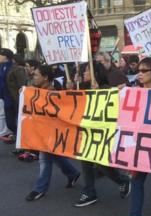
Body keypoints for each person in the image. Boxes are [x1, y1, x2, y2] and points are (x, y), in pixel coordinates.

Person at [116, 57, 151, 216]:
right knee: (137, 180)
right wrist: (118, 92)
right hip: (139, 142)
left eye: (144, 71)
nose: (140, 74)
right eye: (138, 70)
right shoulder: (134, 91)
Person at [74, 62, 131, 207]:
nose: (83, 74)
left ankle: (122, 180)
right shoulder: (82, 88)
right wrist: (72, 87)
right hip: (87, 131)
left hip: (103, 133)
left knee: (101, 165)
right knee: (85, 161)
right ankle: (90, 192)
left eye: (86, 71)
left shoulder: (106, 89)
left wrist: (100, 91)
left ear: (95, 74)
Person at [25, 65, 81, 201]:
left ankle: (39, 189)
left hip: (50, 132)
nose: (34, 77)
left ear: (45, 77)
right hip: (43, 130)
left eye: (37, 75)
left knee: (44, 159)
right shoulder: (37, 91)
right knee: (54, 155)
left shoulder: (51, 93)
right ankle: (72, 173)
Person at [0, 48, 27, 150]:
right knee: (10, 123)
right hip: (6, 100)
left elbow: (23, 83)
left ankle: (23, 143)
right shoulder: (1, 67)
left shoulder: (16, 68)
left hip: (16, 99)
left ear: (6, 57)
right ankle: (19, 137)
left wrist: (22, 92)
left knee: (20, 122)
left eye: (0, 55)